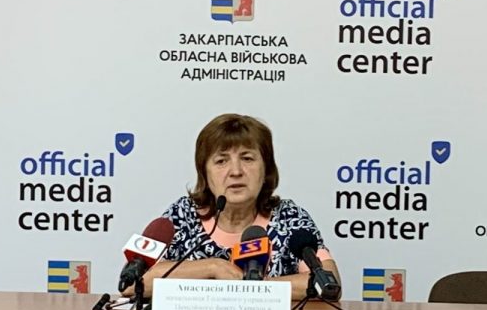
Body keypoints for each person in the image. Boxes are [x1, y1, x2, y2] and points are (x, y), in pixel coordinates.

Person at [141, 113, 340, 295]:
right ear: (205, 173)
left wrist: (251, 287)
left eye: (247, 158)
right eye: (221, 161)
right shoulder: (182, 214)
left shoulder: (289, 217)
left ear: (266, 169)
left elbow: (329, 284)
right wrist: (212, 268)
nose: (236, 171)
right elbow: (133, 282)